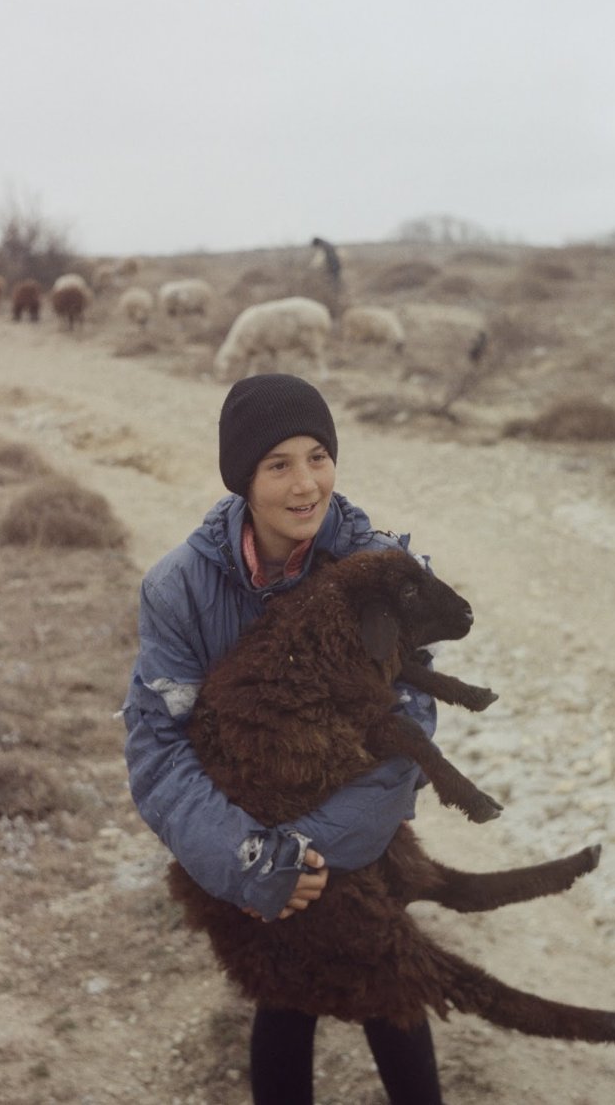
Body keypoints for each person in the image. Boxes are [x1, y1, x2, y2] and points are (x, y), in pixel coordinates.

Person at [122, 373, 444, 1105]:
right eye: (279, 464)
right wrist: (248, 860)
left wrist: (309, 848)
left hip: (354, 830)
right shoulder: (179, 587)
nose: (306, 484)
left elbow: (413, 722)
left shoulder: (380, 568)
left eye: (318, 457)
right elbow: (157, 747)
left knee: (388, 977)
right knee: (284, 996)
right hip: (245, 833)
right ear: (243, 478)